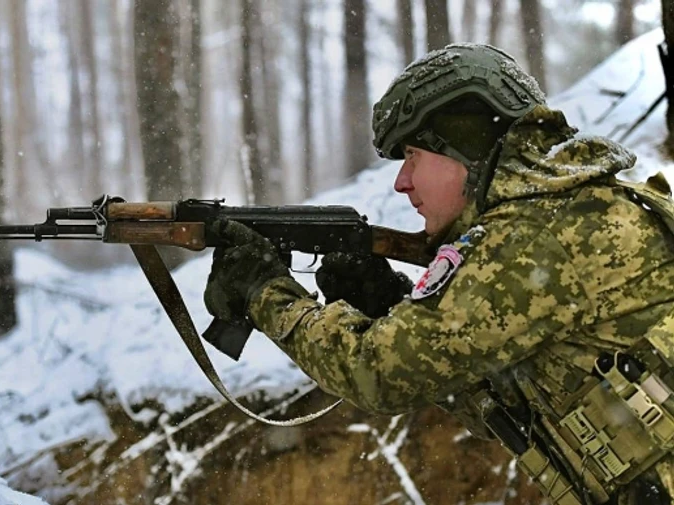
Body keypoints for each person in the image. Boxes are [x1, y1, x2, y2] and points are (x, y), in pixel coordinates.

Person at [203, 43, 674, 505]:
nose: (401, 181)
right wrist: (389, 304)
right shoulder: (565, 214)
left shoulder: (539, 237)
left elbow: (376, 375)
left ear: (464, 147)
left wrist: (266, 293)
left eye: (413, 155)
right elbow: (500, 402)